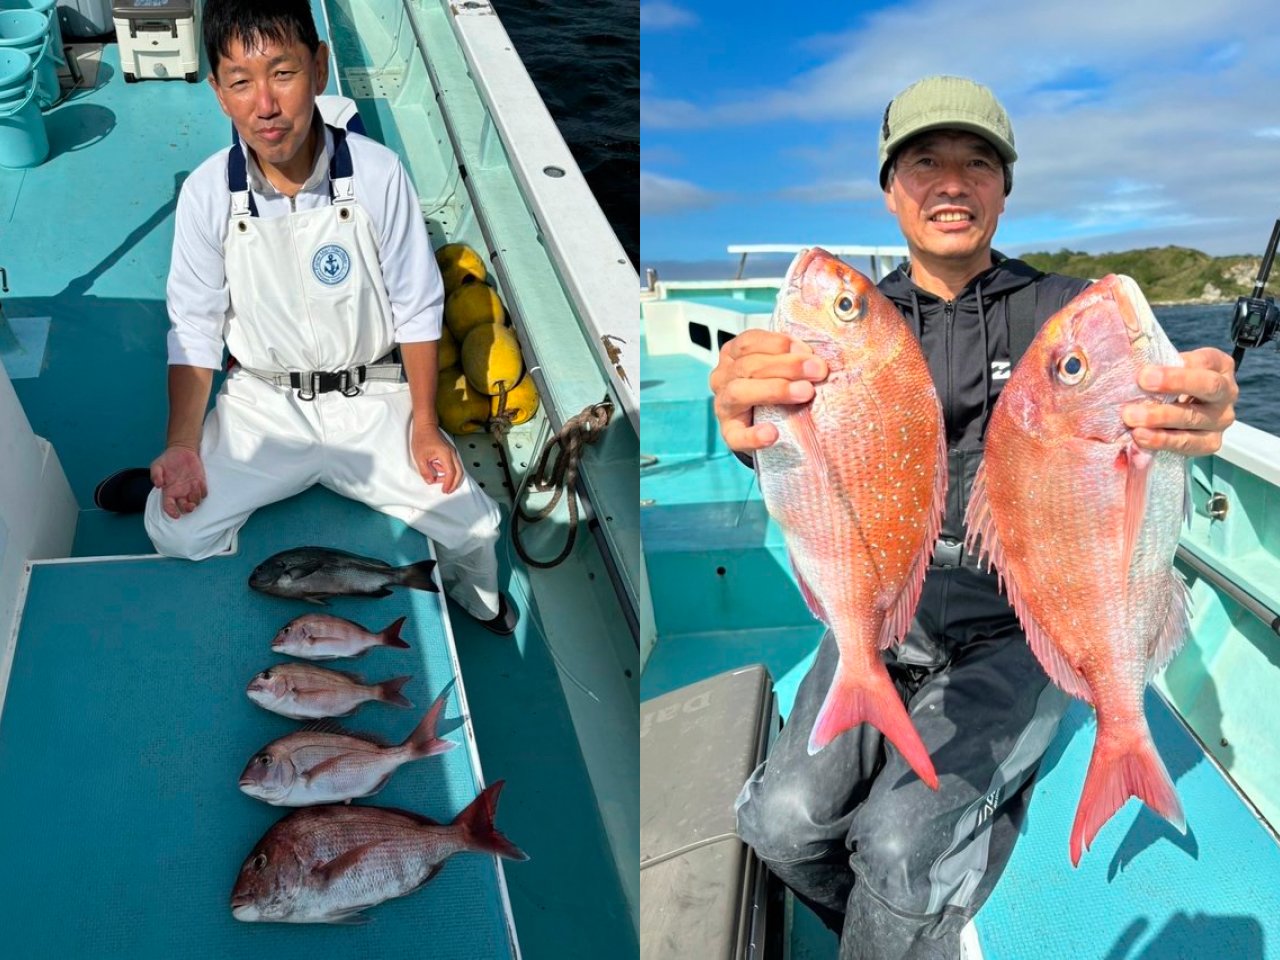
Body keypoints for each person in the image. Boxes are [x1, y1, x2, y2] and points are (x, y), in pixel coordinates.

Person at [710, 76, 1238, 959]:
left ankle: (914, 908)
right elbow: (800, 450)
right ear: (890, 186)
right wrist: (742, 423)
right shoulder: (856, 326)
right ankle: (894, 930)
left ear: (1005, 186)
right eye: (926, 161)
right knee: (779, 821)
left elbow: (1160, 393)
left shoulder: (1062, 314)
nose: (952, 181)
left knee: (898, 847)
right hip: (887, 619)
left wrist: (1198, 411)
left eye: (977, 162)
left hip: (1016, 635)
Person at [93, 0, 516, 635]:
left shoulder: (378, 174)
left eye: (282, 73)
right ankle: (169, 475)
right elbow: (196, 327)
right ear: (218, 93)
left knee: (478, 526)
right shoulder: (207, 193)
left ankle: (473, 598)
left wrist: (425, 425)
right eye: (240, 81)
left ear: (319, 68)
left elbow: (418, 307)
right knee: (173, 532)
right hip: (265, 404)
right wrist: (183, 444)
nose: (264, 104)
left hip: (375, 398)